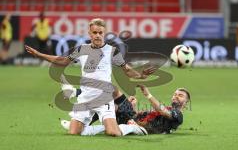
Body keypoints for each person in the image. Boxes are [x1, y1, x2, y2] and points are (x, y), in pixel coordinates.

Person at [25, 18, 156, 137]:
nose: (98, 35)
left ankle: (130, 128)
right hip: (85, 98)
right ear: (90, 33)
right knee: (74, 132)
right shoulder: (82, 50)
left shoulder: (112, 51)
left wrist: (141, 75)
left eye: (100, 32)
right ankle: (96, 127)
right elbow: (63, 61)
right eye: (95, 32)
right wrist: (39, 54)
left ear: (104, 33)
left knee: (113, 133)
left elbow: (127, 70)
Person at [60, 84, 191, 135]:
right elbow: (147, 115)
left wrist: (148, 95)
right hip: (132, 118)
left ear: (186, 103)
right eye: (175, 94)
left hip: (140, 127)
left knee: (112, 97)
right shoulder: (165, 108)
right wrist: (133, 107)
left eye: (180, 95)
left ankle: (76, 96)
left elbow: (163, 112)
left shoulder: (178, 114)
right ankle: (75, 94)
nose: (176, 96)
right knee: (111, 94)